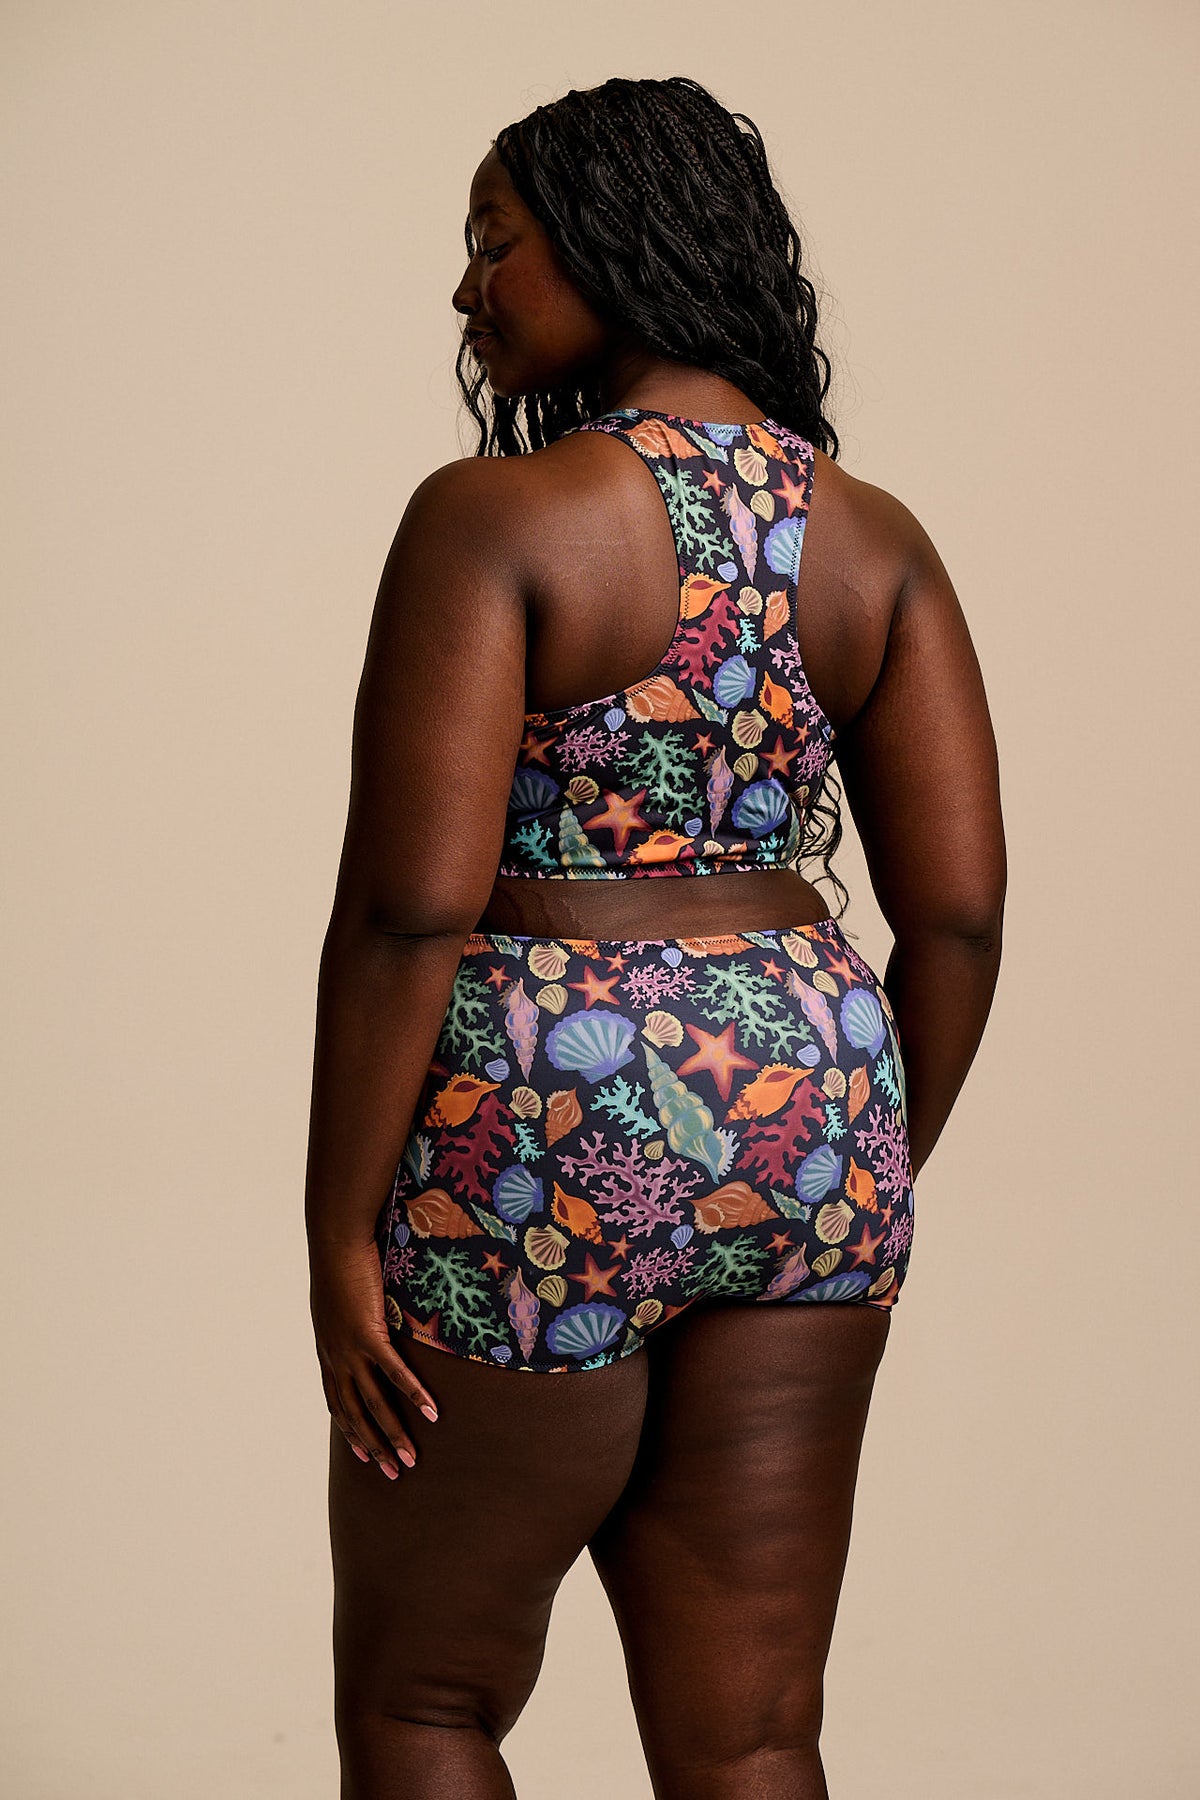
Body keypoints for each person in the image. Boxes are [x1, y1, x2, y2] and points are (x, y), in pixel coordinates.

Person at [305, 75, 1005, 1800]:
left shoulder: (496, 519)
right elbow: (960, 914)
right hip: (813, 1110)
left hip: (547, 1122)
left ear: (611, 243)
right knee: (752, 1729)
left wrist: (334, 1229)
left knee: (426, 1702)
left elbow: (409, 911)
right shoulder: (875, 542)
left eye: (496, 242)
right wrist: (854, 1162)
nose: (468, 287)